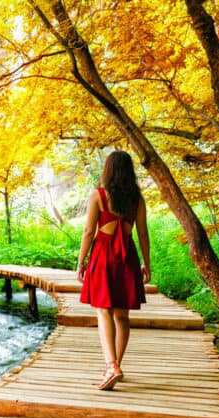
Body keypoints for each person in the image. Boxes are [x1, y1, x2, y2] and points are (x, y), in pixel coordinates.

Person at [76, 150, 151, 391]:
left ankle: (111, 366)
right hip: (127, 256)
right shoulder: (137, 199)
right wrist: (147, 264)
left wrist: (81, 262)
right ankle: (116, 364)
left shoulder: (98, 195)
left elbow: (89, 232)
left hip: (104, 255)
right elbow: (142, 233)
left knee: (103, 311)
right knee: (122, 316)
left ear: (108, 170)